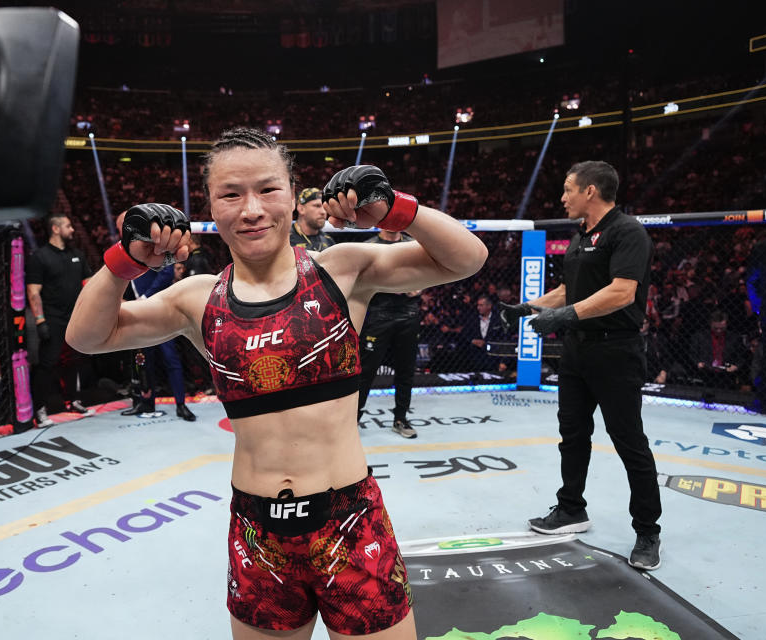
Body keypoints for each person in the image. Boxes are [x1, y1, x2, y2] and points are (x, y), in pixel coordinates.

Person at [67, 127, 488, 639]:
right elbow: (88, 337)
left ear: (292, 193)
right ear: (210, 207)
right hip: (256, 531)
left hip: (349, 521)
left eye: (267, 190)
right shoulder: (196, 298)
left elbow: (467, 258)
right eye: (230, 194)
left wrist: (395, 208)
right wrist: (125, 260)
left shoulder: (343, 270)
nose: (250, 210)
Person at [499, 160, 662, 571]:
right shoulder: (580, 236)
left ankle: (648, 530)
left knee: (629, 441)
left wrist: (566, 316)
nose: (563, 197)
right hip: (577, 352)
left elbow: (622, 293)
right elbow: (570, 290)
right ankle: (571, 507)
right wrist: (526, 308)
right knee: (572, 435)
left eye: (569, 189)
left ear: (591, 191)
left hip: (615, 352)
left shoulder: (628, 232)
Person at [26, 214, 95, 426]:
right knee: (47, 364)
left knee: (75, 360)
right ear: (55, 229)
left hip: (75, 317)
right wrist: (40, 321)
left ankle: (74, 400)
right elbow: (33, 291)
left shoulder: (77, 255)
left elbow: (90, 284)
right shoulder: (40, 256)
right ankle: (39, 410)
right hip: (53, 318)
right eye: (68, 226)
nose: (73, 229)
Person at [356, 229, 423, 439]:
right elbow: (359, 282)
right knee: (365, 371)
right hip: (378, 314)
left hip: (408, 314)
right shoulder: (369, 246)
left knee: (406, 370)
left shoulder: (413, 245)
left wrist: (421, 285)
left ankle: (401, 418)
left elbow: (430, 272)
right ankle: (351, 421)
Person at [122, 265, 196, 421]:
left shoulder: (156, 245)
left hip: (160, 311)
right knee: (142, 361)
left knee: (170, 358)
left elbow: (167, 273)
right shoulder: (127, 252)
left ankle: (181, 404)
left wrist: (145, 297)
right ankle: (146, 402)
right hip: (139, 313)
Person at [746, 231, 766, 415]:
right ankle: (765, 403)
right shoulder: (764, 247)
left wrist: (759, 308)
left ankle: (765, 404)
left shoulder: (764, 247)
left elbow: (751, 280)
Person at [689, 310, 745, 390]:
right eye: (715, 328)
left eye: (722, 328)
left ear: (726, 324)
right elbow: (692, 354)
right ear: (710, 324)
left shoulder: (734, 338)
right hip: (705, 373)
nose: (718, 331)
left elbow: (741, 356)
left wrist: (736, 366)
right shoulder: (699, 336)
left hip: (727, 375)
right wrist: (697, 363)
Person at [460, 295, 510, 374]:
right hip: (475, 357)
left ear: (489, 306)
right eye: (478, 305)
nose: (478, 308)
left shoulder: (498, 320)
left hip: (494, 357)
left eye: (481, 305)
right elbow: (464, 334)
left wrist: (503, 361)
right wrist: (473, 341)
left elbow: (505, 339)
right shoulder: (473, 318)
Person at [288, 187, 335, 251]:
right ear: (301, 209)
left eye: (325, 207)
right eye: (317, 206)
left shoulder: (328, 241)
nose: (323, 212)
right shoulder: (285, 240)